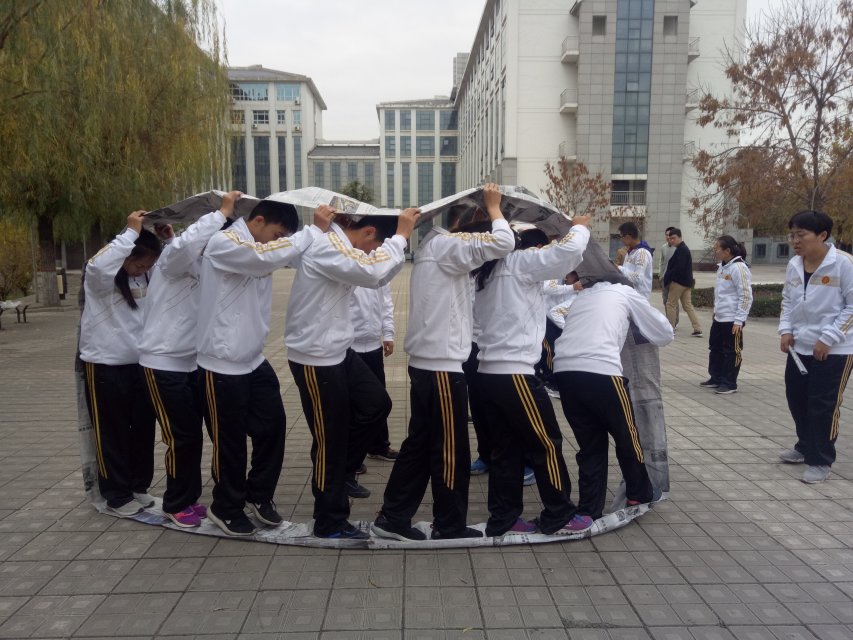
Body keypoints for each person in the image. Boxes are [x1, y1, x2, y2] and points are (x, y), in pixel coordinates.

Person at [372, 183, 515, 541]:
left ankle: (392, 518)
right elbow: (504, 242)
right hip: (441, 368)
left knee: (419, 445)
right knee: (451, 449)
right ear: (469, 223)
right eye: (482, 226)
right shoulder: (449, 246)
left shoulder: (433, 247)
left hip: (429, 364)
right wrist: (494, 208)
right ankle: (449, 524)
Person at [197, 200, 332, 537]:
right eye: (277, 234)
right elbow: (264, 258)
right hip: (221, 364)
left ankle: (259, 494)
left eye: (283, 237)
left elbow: (292, 254)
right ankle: (226, 507)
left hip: (254, 360)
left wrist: (330, 231)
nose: (278, 242)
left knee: (272, 427)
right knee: (229, 442)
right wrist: (313, 229)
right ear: (257, 221)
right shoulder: (224, 243)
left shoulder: (263, 246)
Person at [286, 208, 420, 540]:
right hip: (316, 358)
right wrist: (402, 236)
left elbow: (377, 276)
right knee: (329, 441)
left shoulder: (342, 246)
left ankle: (341, 472)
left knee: (377, 404)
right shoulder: (328, 246)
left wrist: (392, 246)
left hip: (339, 351)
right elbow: (371, 271)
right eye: (375, 246)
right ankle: (329, 521)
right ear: (369, 232)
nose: (372, 253)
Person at [471, 220, 593, 536]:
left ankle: (504, 519)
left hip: (488, 373)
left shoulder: (488, 270)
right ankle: (560, 515)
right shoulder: (520, 261)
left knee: (505, 449)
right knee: (546, 443)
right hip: (515, 374)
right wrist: (579, 227)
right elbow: (569, 251)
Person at [138, 191, 240, 527]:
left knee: (194, 435)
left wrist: (171, 237)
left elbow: (185, 250)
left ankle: (190, 497)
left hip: (191, 362)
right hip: (163, 362)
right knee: (180, 437)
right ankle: (176, 502)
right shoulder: (175, 258)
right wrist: (221, 214)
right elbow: (183, 248)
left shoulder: (200, 261)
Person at [553, 251, 674, 520]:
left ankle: (589, 509)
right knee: (627, 436)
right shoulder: (624, 292)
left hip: (565, 373)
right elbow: (665, 332)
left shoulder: (581, 297)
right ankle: (639, 493)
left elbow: (558, 316)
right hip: (602, 372)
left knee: (590, 445)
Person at [79, 211, 163, 517]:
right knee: (111, 431)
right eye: (139, 264)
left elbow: (177, 264)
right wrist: (130, 232)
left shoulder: (147, 274)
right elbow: (99, 264)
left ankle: (138, 486)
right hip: (105, 363)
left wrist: (167, 238)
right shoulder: (100, 278)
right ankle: (116, 494)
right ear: (125, 254)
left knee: (142, 427)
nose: (143, 270)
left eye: (148, 265)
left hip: (141, 363)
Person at [778, 210, 853, 484]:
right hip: (800, 346)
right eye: (792, 235)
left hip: (836, 349)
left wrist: (829, 337)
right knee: (796, 397)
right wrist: (786, 330)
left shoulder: (843, 263)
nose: (795, 241)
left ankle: (820, 459)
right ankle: (805, 444)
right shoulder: (794, 264)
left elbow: (852, 307)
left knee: (823, 404)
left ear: (822, 235)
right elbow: (788, 300)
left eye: (801, 235)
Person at [350, 283, 399, 463]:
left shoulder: (379, 271)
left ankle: (378, 446)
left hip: (373, 346)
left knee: (378, 399)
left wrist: (388, 334)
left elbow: (386, 303)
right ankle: (351, 454)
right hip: (349, 347)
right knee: (351, 402)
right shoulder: (345, 267)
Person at [700, 235, 753, 395]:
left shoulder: (739, 268)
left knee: (732, 351)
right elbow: (721, 293)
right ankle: (716, 377)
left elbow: (746, 295)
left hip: (732, 319)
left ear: (727, 251)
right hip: (720, 317)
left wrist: (739, 320)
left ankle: (729, 383)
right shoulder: (723, 267)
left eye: (717, 248)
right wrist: (716, 311)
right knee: (715, 348)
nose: (715, 251)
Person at [662, 228, 702, 337]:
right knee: (687, 305)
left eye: (673, 238)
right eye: (670, 238)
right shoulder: (682, 249)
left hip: (678, 282)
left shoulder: (682, 250)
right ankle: (697, 328)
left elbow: (679, 268)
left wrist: (670, 278)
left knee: (670, 304)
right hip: (686, 282)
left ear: (680, 237)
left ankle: (670, 328)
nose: (671, 240)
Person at [617, 221, 653, 299]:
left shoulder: (642, 253)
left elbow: (637, 278)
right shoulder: (630, 252)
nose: (621, 240)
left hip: (638, 297)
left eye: (621, 237)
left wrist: (619, 268)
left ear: (628, 237)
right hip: (629, 294)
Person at [659, 227, 679, 326]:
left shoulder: (677, 248)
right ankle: (669, 319)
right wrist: (660, 274)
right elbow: (661, 262)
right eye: (666, 235)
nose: (668, 237)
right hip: (664, 277)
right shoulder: (663, 247)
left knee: (673, 301)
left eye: (670, 235)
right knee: (665, 300)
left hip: (674, 279)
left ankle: (674, 321)